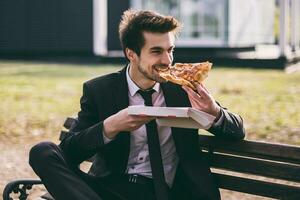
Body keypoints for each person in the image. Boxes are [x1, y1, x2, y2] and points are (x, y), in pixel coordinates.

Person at [29, 9, 245, 200]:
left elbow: (238, 130)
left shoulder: (184, 88)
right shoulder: (100, 90)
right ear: (131, 54)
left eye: (170, 50)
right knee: (42, 151)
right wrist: (110, 126)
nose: (167, 60)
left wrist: (213, 112)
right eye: (156, 51)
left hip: (169, 193)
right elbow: (69, 153)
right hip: (109, 189)